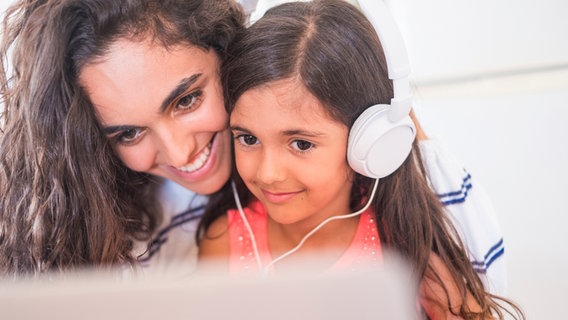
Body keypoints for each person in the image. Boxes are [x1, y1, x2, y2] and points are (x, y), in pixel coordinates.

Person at [0, 0, 505, 293]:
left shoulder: (422, 191)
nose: (178, 153)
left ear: (230, 56)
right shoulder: (114, 225)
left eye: (188, 98)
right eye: (128, 133)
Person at [197, 1, 523, 318]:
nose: (268, 173)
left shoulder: (407, 257)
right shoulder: (224, 245)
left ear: (368, 143)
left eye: (300, 143)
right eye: (248, 138)